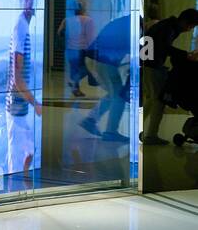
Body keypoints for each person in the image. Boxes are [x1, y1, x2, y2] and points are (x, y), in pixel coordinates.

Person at [140, 9, 198, 145]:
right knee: (159, 101)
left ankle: (141, 128)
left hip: (147, 64)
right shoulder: (168, 28)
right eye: (191, 26)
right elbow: (165, 48)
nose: (190, 29)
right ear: (184, 21)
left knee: (151, 99)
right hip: (151, 66)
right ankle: (151, 136)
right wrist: (187, 55)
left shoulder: (166, 26)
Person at [6, 0, 41, 175]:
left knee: (28, 151)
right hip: (16, 106)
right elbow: (17, 77)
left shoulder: (25, 24)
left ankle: (23, 185)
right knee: (17, 159)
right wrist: (35, 102)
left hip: (20, 107)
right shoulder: (20, 26)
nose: (30, 1)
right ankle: (14, 192)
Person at [81, 14, 134, 143]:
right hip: (103, 61)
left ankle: (90, 120)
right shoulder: (131, 25)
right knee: (119, 96)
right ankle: (110, 132)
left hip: (95, 58)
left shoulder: (123, 21)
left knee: (113, 94)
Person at [58, 0, 95, 97]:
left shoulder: (67, 20)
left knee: (75, 69)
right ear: (82, 9)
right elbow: (90, 38)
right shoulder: (88, 20)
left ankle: (75, 88)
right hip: (83, 50)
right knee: (87, 69)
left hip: (70, 49)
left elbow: (59, 33)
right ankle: (74, 83)